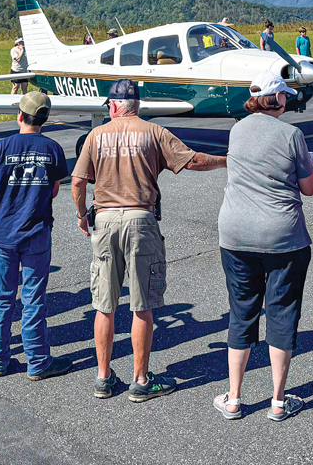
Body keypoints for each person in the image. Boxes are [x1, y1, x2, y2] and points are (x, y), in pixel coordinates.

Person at [71, 79, 226, 401]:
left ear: (112, 106)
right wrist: (228, 160)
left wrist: (82, 215)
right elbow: (193, 160)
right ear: (136, 105)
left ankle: (103, 377)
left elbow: (77, 182)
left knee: (104, 304)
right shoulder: (153, 132)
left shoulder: (96, 136)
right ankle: (140, 380)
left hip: (105, 218)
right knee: (142, 304)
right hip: (141, 220)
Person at [214, 71, 313, 422]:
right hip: (283, 237)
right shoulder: (292, 134)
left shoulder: (237, 129)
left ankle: (233, 398)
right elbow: (309, 187)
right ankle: (278, 401)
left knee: (242, 311)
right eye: (285, 95)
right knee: (281, 313)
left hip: (235, 234)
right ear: (277, 99)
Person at [0, 91, 72, 380]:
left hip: (3, 234)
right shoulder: (53, 148)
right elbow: (54, 189)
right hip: (37, 233)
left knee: (2, 298)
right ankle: (38, 361)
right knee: (33, 299)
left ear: (20, 115)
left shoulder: (0, 147)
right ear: (45, 120)